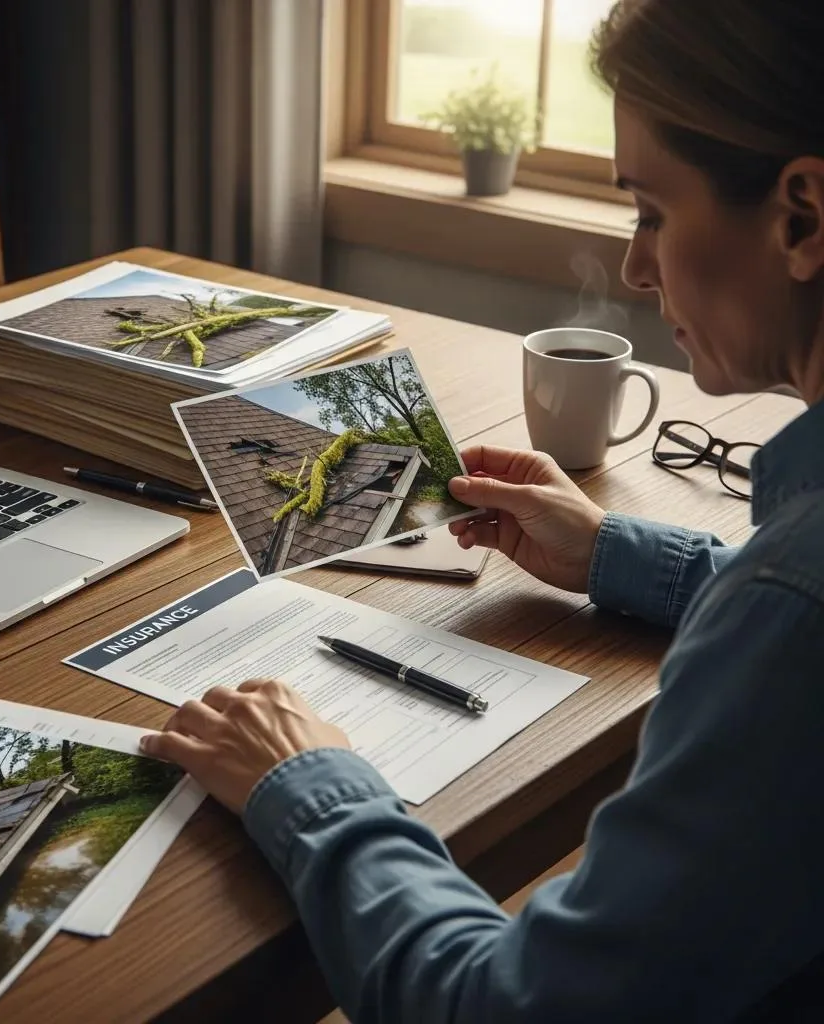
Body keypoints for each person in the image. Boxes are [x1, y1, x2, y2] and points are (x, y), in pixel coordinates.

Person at [141, 1, 824, 1019]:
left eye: (649, 210)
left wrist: (309, 778)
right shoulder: (786, 593)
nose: (636, 269)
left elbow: (497, 1009)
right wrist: (613, 552)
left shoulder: (790, 604)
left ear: (800, 216)